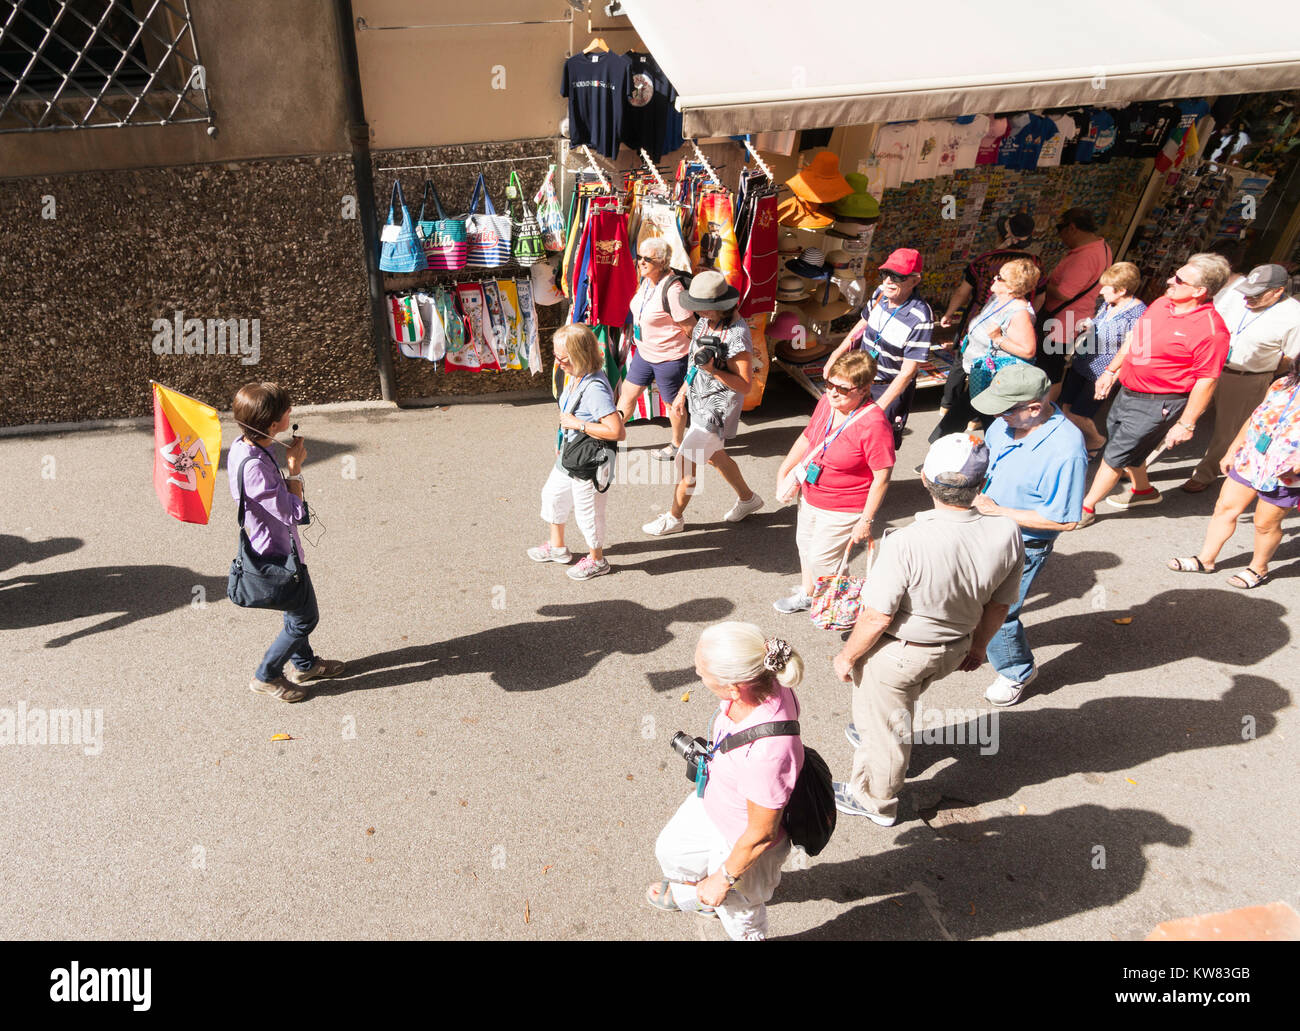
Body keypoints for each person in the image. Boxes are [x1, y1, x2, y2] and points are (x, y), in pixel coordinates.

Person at [832, 435, 1024, 825]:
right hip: (955, 646)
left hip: (900, 652)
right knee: (897, 707)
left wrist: (847, 655)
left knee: (886, 728)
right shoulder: (1007, 532)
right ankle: (880, 735)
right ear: (981, 484)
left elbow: (877, 617)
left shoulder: (903, 542)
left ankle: (876, 800)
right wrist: (979, 648)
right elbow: (999, 604)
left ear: (924, 479)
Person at [650, 622, 805, 940]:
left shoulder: (768, 755)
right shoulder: (765, 681)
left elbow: (761, 834)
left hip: (743, 841)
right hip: (720, 798)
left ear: (735, 688)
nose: (696, 671)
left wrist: (723, 879)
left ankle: (721, 903)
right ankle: (699, 895)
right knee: (671, 850)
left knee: (740, 912)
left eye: (703, 670)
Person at [1079, 253, 1232, 526]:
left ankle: (1086, 508)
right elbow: (1135, 338)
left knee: (1116, 453)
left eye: (1180, 280)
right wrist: (1111, 371)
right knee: (1130, 447)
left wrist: (1186, 424)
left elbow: (1206, 381)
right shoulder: (1162, 303)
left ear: (1199, 291)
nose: (1170, 280)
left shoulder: (1212, 331)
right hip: (1128, 391)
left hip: (1158, 402)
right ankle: (1143, 491)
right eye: (1175, 274)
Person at [970, 364, 1087, 705]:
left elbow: (1065, 520)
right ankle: (983, 637)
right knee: (981, 603)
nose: (997, 416)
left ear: (1034, 408)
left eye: (1004, 410)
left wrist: (998, 511)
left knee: (1001, 612)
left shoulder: (1066, 450)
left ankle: (1016, 671)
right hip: (985, 529)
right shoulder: (1007, 421)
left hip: (1023, 544)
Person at [229, 382, 345, 703]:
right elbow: (293, 512)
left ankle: (305, 665)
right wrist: (294, 469)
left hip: (273, 544)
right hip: (280, 554)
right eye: (285, 411)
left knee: (294, 610)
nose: (290, 411)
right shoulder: (254, 468)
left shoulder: (242, 445)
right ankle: (266, 675)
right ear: (270, 423)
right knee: (306, 618)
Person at [771, 352, 895, 614]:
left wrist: (866, 520)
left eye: (842, 388)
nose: (832, 392)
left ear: (863, 389)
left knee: (824, 560)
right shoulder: (827, 404)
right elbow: (808, 437)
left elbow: (882, 476)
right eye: (829, 384)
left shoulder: (874, 424)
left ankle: (846, 608)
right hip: (811, 494)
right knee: (805, 547)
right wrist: (785, 468)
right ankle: (809, 593)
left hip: (843, 506)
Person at [642, 271, 764, 535]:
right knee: (714, 456)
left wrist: (714, 371)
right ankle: (748, 498)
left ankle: (675, 517)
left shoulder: (737, 335)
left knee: (687, 460)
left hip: (718, 408)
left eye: (703, 306)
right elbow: (695, 361)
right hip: (699, 399)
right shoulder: (704, 322)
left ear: (720, 306)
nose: (696, 310)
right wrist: (683, 391)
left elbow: (745, 385)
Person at [1167, 365, 1300, 588]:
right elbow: (1255, 417)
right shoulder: (1282, 384)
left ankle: (1259, 568)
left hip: (1286, 473)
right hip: (1252, 458)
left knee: (1264, 524)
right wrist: (1234, 448)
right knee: (1225, 507)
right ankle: (1205, 559)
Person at [1182, 264, 1300, 493]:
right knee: (1180, 414)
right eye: (1248, 290)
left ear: (1277, 291)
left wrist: (1266, 372)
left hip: (1248, 377)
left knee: (1227, 429)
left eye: (1257, 294)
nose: (1249, 297)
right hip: (1211, 367)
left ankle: (1205, 473)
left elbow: (1293, 357)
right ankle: (1138, 463)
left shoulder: (1293, 315)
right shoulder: (1239, 297)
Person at [527, 324, 625, 580]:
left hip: (589, 461)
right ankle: (557, 547)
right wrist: (564, 435)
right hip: (571, 454)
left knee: (588, 513)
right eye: (556, 356)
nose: (558, 363)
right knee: (552, 496)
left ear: (580, 355)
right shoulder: (576, 374)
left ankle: (597, 560)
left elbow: (617, 431)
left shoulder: (594, 387)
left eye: (563, 358)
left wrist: (577, 425)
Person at [821, 248, 933, 448]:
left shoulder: (921, 317)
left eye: (897, 276)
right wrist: (835, 355)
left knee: (875, 444)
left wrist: (879, 407)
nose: (888, 281)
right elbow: (861, 325)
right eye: (885, 274)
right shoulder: (880, 294)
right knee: (844, 437)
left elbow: (907, 372)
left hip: (886, 388)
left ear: (914, 281)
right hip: (859, 379)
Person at [931, 257, 1039, 440]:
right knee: (977, 412)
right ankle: (942, 445)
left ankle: (940, 446)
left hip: (992, 375)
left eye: (1000, 277)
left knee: (983, 416)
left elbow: (1029, 350)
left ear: (1012, 287)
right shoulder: (997, 299)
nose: (994, 279)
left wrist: (999, 338)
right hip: (980, 370)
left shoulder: (1019, 313)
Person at [617, 237, 696, 461]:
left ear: (662, 262)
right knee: (628, 395)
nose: (640, 262)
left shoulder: (672, 289)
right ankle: (611, 436)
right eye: (639, 257)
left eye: (647, 259)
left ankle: (677, 444)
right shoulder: (647, 281)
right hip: (645, 352)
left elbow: (690, 327)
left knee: (674, 404)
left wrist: (695, 356)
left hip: (670, 358)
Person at [1057, 262, 1147, 457]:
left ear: (1122, 290)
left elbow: (1134, 351)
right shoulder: (1108, 304)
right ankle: (1072, 445)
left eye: (1107, 287)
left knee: (1079, 414)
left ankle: (1096, 440)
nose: (1101, 291)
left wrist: (1112, 377)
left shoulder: (1139, 314)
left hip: (1102, 372)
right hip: (1082, 363)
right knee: (1066, 408)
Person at [1036, 207, 1112, 389]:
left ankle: (1041, 409)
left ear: (1072, 228)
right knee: (1052, 368)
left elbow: (1064, 293)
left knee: (1046, 370)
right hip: (1072, 320)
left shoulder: (1086, 256)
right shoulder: (1102, 247)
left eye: (1061, 232)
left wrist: (1040, 282)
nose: (1061, 239)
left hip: (1059, 324)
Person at [939, 212, 1041, 336]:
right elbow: (1040, 296)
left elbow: (962, 292)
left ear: (1001, 235)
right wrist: (1027, 318)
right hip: (1013, 325)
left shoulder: (985, 261)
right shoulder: (1035, 263)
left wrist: (949, 314)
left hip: (979, 321)